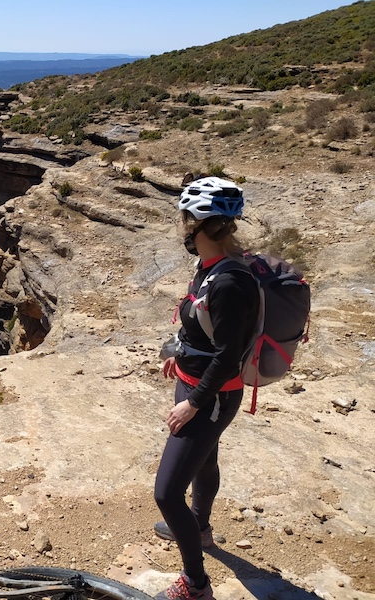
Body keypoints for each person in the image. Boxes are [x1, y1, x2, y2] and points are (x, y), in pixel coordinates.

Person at [153, 177, 260, 600]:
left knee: (165, 492)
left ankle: (195, 585)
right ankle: (200, 527)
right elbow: (202, 328)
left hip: (212, 397)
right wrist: (177, 353)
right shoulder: (208, 267)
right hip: (196, 384)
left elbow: (229, 354)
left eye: (185, 221)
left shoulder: (231, 281)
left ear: (197, 224)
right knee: (204, 460)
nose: (182, 228)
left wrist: (193, 405)